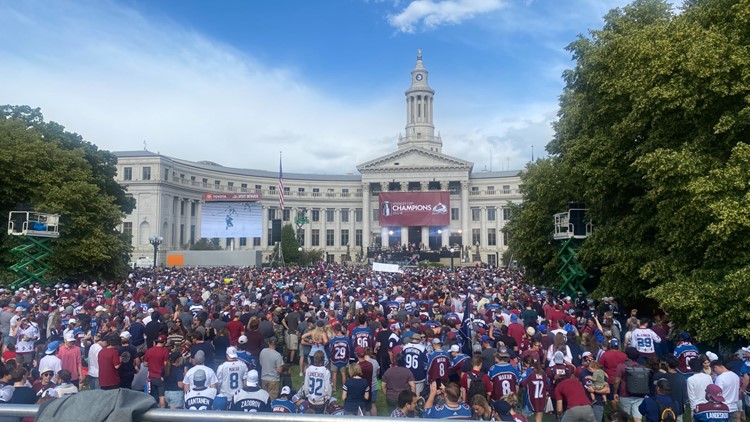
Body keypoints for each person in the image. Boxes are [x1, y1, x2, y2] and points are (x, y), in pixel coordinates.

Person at [613, 347, 650, 422]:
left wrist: (615, 392)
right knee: (638, 418)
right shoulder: (642, 367)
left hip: (625, 394)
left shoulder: (621, 366)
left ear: (626, 355)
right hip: (639, 395)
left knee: (624, 417)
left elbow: (617, 381)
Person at [653, 355, 688, 422]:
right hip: (678, 408)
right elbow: (685, 394)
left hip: (664, 409)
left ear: (667, 364)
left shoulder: (663, 377)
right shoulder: (682, 378)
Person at [143, 334, 169, 406]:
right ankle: (162, 412)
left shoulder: (149, 350)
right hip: (160, 377)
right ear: (164, 342)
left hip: (151, 376)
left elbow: (145, 364)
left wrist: (151, 364)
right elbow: (165, 364)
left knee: (151, 396)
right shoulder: (165, 351)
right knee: (161, 396)